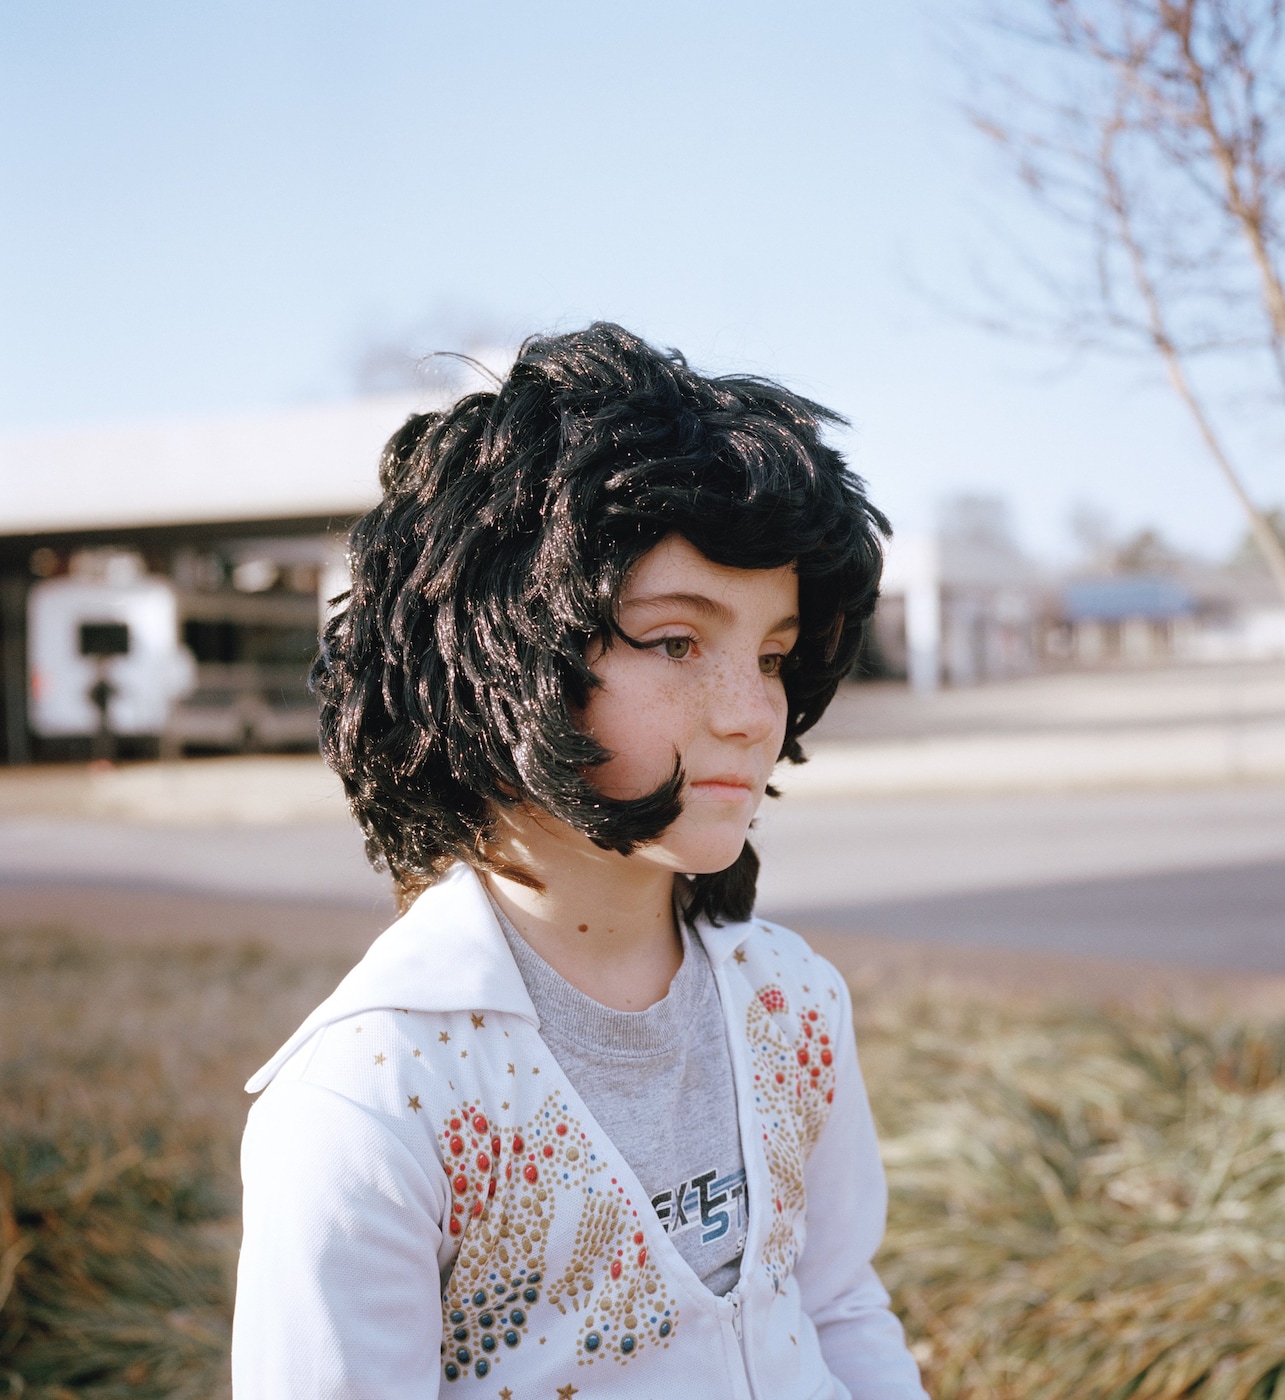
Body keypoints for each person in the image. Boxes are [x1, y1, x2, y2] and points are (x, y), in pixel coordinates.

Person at [232, 323, 927, 1398]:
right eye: (675, 641)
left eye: (774, 653)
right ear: (501, 654)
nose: (749, 712)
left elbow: (835, 1303)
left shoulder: (792, 1004)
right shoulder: (376, 1098)